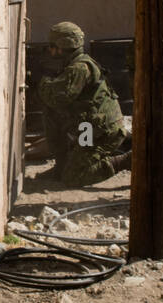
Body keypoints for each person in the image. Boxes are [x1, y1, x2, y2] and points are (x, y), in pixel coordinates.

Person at [36, 21, 130, 187]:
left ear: (63, 45)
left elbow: (58, 98)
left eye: (52, 45)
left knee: (74, 178)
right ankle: (62, 166)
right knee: (51, 113)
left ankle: (127, 160)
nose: (50, 50)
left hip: (100, 132)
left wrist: (43, 82)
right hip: (88, 126)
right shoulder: (75, 63)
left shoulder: (79, 68)